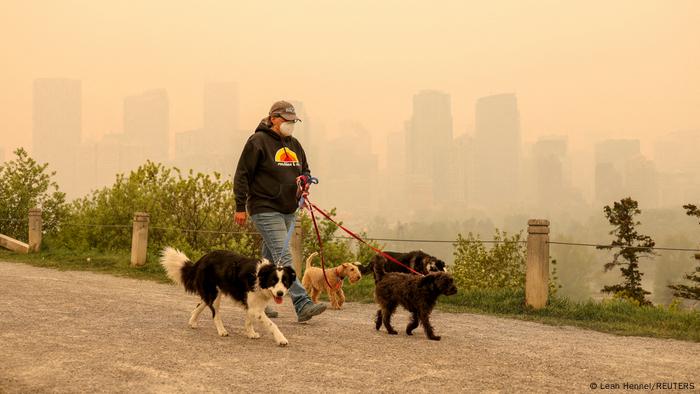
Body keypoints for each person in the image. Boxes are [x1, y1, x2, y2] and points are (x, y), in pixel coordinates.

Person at [233, 100, 327, 322]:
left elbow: (305, 169)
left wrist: (305, 182)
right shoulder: (257, 142)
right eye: (287, 120)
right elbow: (242, 174)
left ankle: (259, 302)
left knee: (268, 260)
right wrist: (239, 206)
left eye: (293, 121)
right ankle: (302, 303)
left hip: (288, 209)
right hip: (264, 207)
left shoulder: (294, 144)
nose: (290, 125)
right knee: (284, 256)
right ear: (274, 118)